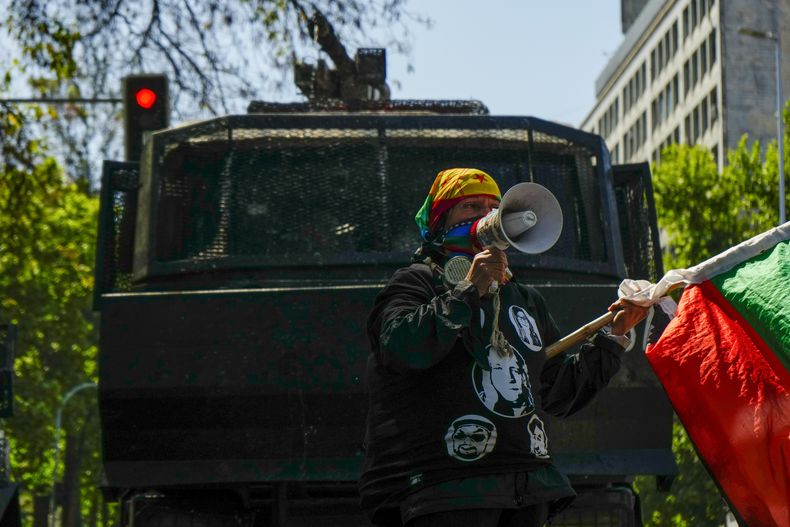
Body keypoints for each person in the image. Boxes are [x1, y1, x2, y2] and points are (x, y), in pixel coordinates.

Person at [358, 168, 648, 527]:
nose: (487, 216)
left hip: (527, 487)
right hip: (446, 490)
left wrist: (614, 337)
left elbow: (557, 392)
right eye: (470, 206)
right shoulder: (416, 282)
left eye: (494, 207)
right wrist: (467, 291)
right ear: (440, 220)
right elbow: (401, 347)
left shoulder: (524, 299)